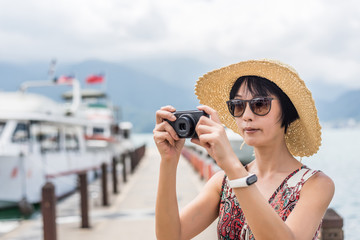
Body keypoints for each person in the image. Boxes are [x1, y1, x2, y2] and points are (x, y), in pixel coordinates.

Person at [153, 59, 334, 240]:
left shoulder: (314, 185)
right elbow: (169, 236)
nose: (247, 116)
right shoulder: (223, 183)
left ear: (288, 111)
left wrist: (232, 166)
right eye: (238, 106)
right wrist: (168, 161)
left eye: (260, 104)